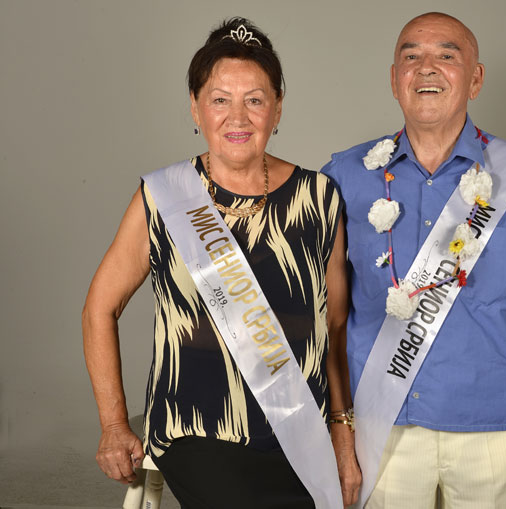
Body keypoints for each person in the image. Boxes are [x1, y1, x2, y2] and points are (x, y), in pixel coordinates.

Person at [82, 17, 360, 509]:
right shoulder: (163, 197)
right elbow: (98, 310)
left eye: (254, 100)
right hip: (197, 430)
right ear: (195, 107)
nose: (238, 118)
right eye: (219, 100)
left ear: (277, 108)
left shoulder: (319, 197)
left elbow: (335, 329)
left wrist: (341, 431)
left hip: (300, 431)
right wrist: (113, 424)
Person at [322, 12, 506, 509]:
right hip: (381, 419)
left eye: (446, 55)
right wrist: (338, 421)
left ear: (475, 79)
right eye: (411, 56)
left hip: (495, 422)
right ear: (394, 79)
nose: (426, 67)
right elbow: (327, 313)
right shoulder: (343, 175)